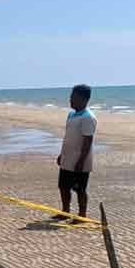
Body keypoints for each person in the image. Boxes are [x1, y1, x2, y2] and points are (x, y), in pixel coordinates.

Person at [57, 84, 96, 219]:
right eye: (70, 97)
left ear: (84, 99)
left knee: (80, 189)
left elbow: (88, 141)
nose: (70, 100)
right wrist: (62, 154)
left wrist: (81, 161)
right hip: (67, 158)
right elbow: (69, 136)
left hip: (81, 161)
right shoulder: (71, 115)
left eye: (74, 97)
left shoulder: (88, 117)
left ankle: (82, 215)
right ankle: (65, 212)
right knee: (63, 187)